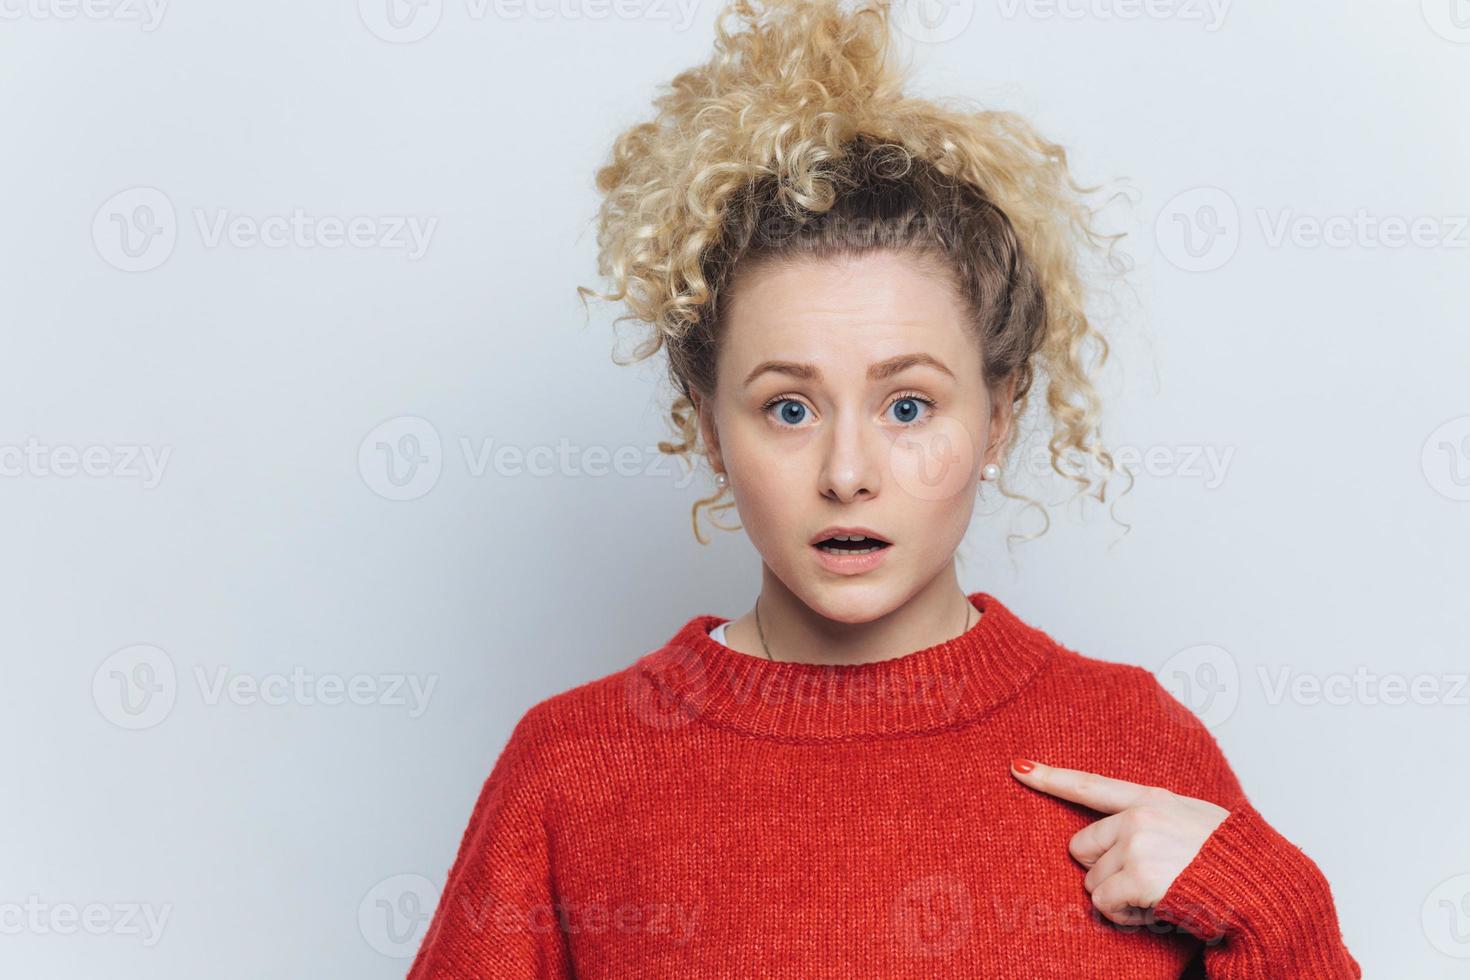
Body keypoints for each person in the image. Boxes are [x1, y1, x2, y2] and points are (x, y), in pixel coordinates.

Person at [407, 0, 1360, 975]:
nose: (848, 473)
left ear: (1000, 416)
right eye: (789, 408)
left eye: (908, 407)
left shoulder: (1130, 740)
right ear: (707, 425)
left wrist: (1268, 902)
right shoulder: (574, 769)